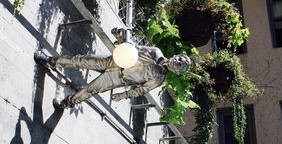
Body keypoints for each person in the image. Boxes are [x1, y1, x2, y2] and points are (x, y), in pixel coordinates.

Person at [33, 46, 191, 109]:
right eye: (178, 59)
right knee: (80, 60)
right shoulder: (155, 51)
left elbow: (141, 90)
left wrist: (123, 95)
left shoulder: (159, 77)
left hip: (118, 78)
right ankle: (50, 61)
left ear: (177, 72)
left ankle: (67, 103)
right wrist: (122, 39)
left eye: (179, 65)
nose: (176, 62)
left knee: (89, 90)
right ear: (175, 55)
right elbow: (134, 47)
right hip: (113, 60)